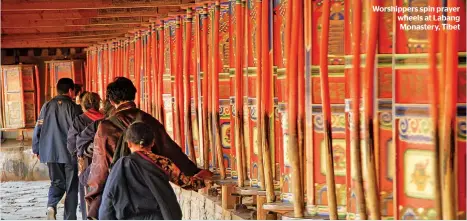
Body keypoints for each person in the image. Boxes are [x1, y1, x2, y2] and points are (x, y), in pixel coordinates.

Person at [85, 77, 212, 219]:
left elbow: (100, 167)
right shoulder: (150, 121)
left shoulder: (105, 127)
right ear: (133, 94)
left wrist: (94, 201)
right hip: (152, 199)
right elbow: (172, 153)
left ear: (112, 101)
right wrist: (196, 172)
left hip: (121, 198)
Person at [99, 122, 208, 220]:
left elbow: (109, 196)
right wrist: (202, 178)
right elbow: (187, 183)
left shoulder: (121, 165)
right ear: (152, 143)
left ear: (129, 144)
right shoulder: (163, 163)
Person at [32, 78, 83, 220]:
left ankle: (51, 205)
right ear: (71, 91)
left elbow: (38, 128)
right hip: (69, 153)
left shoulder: (46, 106)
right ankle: (69, 217)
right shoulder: (75, 108)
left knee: (56, 182)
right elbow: (80, 132)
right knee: (71, 186)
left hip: (51, 151)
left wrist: (36, 148)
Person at [66, 92, 105, 219]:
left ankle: (87, 216)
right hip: (106, 160)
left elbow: (71, 144)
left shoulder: (80, 120)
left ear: (83, 105)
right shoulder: (106, 119)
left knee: (87, 191)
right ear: (98, 104)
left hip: (87, 162)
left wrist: (78, 155)